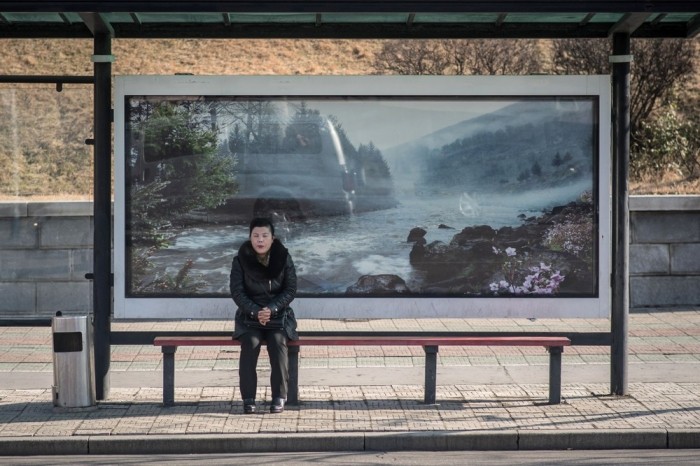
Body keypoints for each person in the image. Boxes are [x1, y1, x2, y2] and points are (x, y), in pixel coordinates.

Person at [230, 217, 298, 414]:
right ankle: (248, 398)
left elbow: (290, 289)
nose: (260, 240)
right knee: (250, 343)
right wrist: (255, 311)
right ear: (250, 238)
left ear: (273, 238)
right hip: (249, 316)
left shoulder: (284, 258)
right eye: (256, 236)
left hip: (279, 315)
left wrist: (272, 309)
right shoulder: (240, 260)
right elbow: (237, 292)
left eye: (264, 236)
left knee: (278, 343)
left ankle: (279, 397)